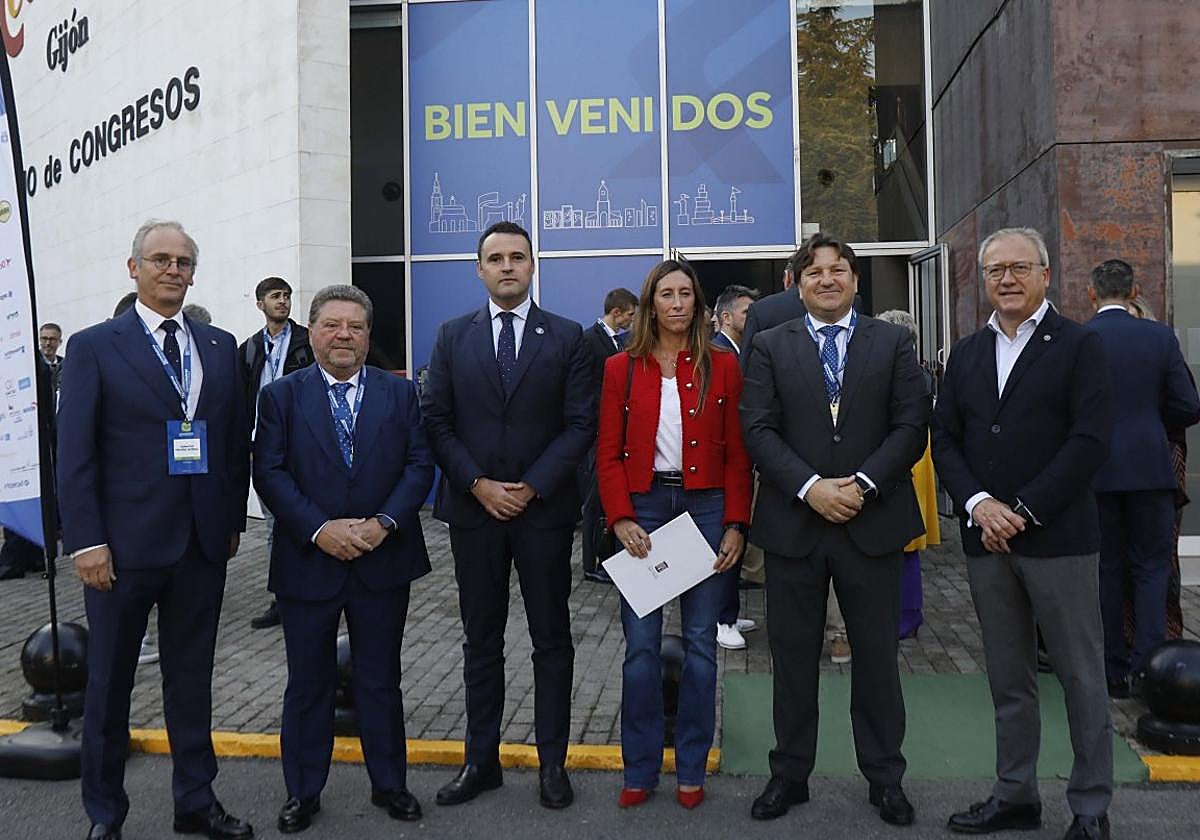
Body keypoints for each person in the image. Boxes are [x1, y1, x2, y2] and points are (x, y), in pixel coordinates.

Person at [57, 220, 252, 840]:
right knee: (109, 686)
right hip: (120, 550)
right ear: (133, 267)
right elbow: (75, 452)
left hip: (200, 546)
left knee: (191, 681)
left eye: (184, 262)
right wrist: (85, 540)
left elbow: (231, 445)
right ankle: (105, 815)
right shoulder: (94, 346)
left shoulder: (220, 346)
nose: (173, 270)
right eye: (161, 259)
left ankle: (195, 801)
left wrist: (227, 521)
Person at [932, 227, 1113, 840]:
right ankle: (1016, 796)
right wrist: (980, 505)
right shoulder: (966, 352)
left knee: (1081, 676)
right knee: (1008, 678)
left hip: (1057, 539)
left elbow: (1089, 441)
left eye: (1018, 267)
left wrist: (1026, 510)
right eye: (994, 271)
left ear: (1045, 273)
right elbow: (945, 438)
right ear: (982, 280)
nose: (1005, 279)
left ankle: (1090, 807)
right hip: (987, 542)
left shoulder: (1080, 346)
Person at [741, 232, 927, 826]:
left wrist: (862, 485)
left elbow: (911, 425)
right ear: (797, 282)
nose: (827, 278)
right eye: (814, 270)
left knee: (875, 659)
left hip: (871, 523)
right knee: (792, 659)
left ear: (854, 281)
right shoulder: (769, 345)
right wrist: (811, 488)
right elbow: (758, 429)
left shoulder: (894, 341)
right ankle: (789, 775)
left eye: (839, 269)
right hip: (796, 524)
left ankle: (885, 777)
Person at [421, 221, 593, 810]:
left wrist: (532, 486)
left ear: (532, 265)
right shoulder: (450, 337)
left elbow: (579, 424)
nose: (507, 267)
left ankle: (553, 766)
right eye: (495, 258)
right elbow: (436, 420)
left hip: (542, 515)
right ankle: (481, 761)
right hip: (475, 515)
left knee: (553, 641)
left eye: (517, 257)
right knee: (480, 641)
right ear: (479, 269)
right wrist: (477, 484)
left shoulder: (568, 337)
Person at [254, 285, 434, 833]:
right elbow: (270, 471)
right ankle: (303, 792)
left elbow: (419, 465)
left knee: (380, 680)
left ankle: (390, 785)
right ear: (313, 332)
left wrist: (383, 524)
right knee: (307, 684)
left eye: (355, 327)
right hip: (309, 562)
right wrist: (318, 528)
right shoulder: (282, 396)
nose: (344, 336)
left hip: (383, 560)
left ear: (368, 335)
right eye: (332, 325)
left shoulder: (399, 394)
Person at [596, 260, 752, 810]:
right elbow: (607, 452)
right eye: (667, 294)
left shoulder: (723, 368)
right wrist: (620, 518)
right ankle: (639, 767)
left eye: (687, 293)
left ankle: (691, 766)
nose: (678, 303)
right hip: (644, 508)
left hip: (707, 508)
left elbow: (738, 454)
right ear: (650, 304)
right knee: (640, 650)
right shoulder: (621, 368)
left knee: (701, 648)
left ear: (700, 304)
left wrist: (736, 522)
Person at [1086, 259, 1200, 698]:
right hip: (1151, 469)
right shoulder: (1159, 337)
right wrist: (1154, 426)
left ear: (1091, 294)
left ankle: (1111, 669)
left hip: (1096, 473)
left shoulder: (1079, 340)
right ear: (1134, 292)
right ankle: (1151, 669)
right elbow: (1188, 404)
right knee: (1152, 570)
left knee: (1106, 570)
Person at [238, 276, 315, 630]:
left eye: (286, 295)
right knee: (273, 527)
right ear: (260, 304)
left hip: (302, 448)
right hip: (263, 450)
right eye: (274, 296)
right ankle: (283, 599)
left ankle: (314, 591)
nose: (282, 302)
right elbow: (239, 402)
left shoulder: (307, 341)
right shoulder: (249, 348)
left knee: (307, 520)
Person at [1125, 297, 1190, 642]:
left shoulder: (1162, 351)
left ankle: (1161, 639)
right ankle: (1130, 638)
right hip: (1122, 469)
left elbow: (1187, 404)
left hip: (1161, 461)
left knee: (1159, 559)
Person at [875, 309, 940, 639]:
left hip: (902, 458)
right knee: (906, 542)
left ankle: (905, 614)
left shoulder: (901, 374)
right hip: (917, 456)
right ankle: (906, 614)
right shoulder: (921, 371)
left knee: (903, 540)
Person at [709, 284, 760, 651]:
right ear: (726, 317)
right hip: (721, 468)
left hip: (741, 465)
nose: (752, 319)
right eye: (746, 313)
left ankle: (728, 610)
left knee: (736, 538)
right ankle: (720, 620)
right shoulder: (717, 355)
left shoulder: (741, 351)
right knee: (724, 543)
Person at [579, 287, 638, 583]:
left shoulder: (620, 343)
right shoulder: (590, 341)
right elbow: (586, 389)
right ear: (616, 313)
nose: (631, 320)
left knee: (605, 498)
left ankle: (606, 557)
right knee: (594, 499)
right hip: (596, 432)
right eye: (629, 315)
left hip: (615, 431)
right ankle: (590, 564)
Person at [39, 321, 64, 393]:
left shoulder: (65, 364)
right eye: (44, 339)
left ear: (60, 342)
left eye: (52, 339)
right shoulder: (33, 362)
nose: (48, 343)